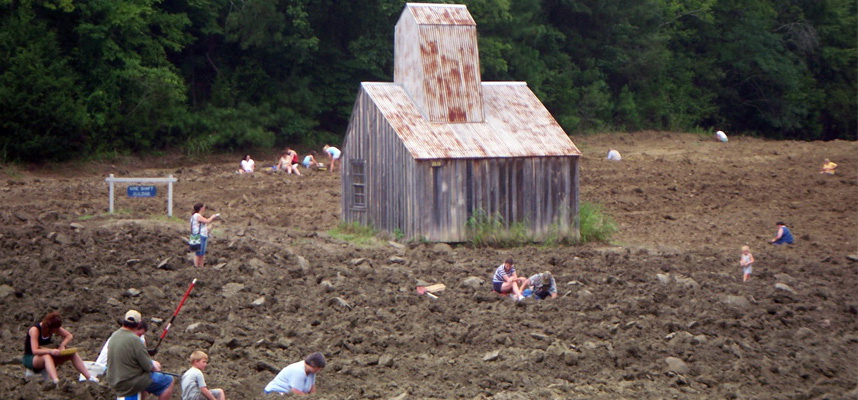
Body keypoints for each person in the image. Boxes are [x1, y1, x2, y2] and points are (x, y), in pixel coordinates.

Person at [107, 310, 174, 400]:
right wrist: (155, 367)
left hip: (114, 379)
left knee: (145, 387)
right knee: (168, 381)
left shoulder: (114, 335)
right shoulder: (135, 340)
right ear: (138, 324)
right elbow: (147, 366)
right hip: (129, 382)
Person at [23, 311, 96, 384]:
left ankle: (89, 377)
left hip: (45, 356)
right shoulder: (35, 330)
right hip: (31, 358)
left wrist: (62, 345)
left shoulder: (54, 329)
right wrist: (51, 351)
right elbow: (35, 350)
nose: (55, 332)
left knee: (72, 354)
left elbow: (69, 335)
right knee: (47, 356)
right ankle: (56, 381)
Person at [81, 320, 148, 381]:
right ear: (134, 329)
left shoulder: (136, 336)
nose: (139, 337)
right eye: (139, 335)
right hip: (105, 368)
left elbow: (143, 347)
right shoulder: (122, 339)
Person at [191, 203, 220, 268]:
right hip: (199, 235)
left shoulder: (197, 215)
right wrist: (213, 217)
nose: (204, 208)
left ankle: (201, 266)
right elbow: (207, 221)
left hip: (203, 235)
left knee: (202, 252)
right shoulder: (197, 215)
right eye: (203, 207)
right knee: (198, 252)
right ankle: (196, 266)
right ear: (200, 208)